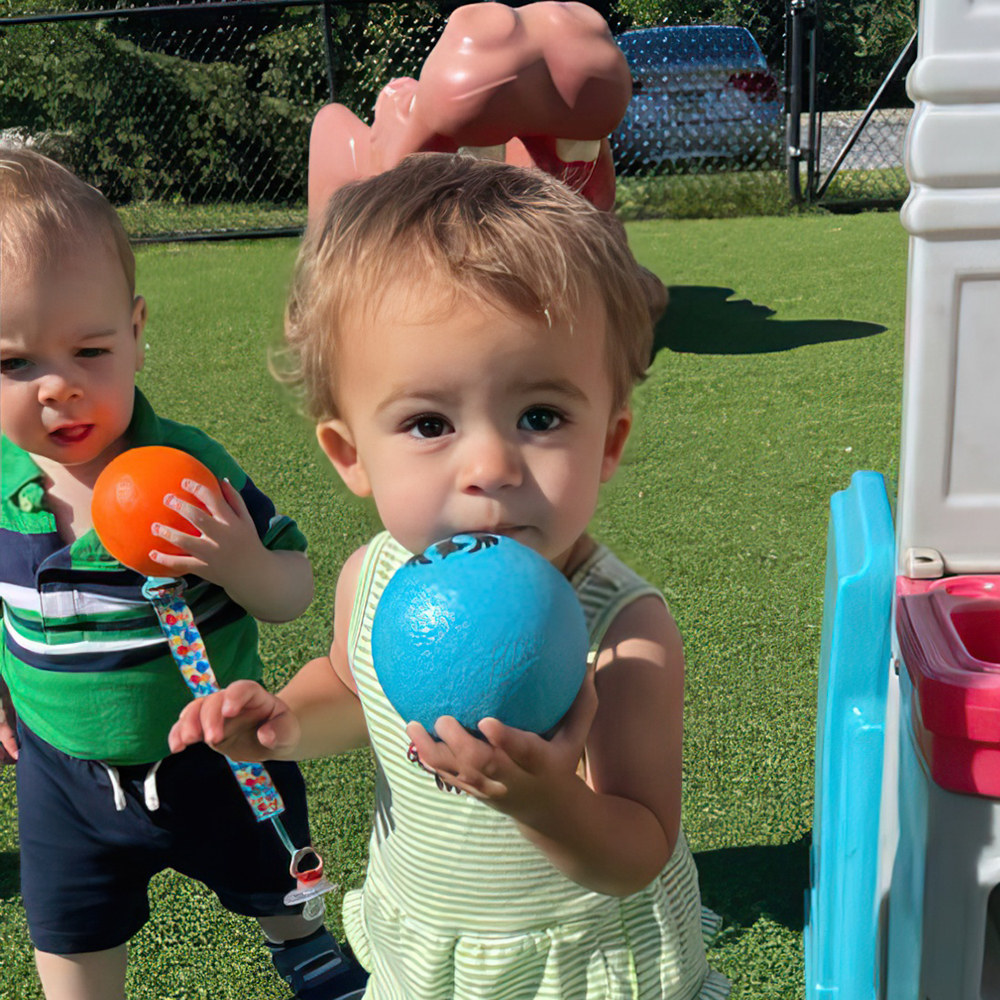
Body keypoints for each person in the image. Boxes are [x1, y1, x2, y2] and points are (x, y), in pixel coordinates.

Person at [170, 152, 731, 999]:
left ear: (609, 442)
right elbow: (356, 693)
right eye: (429, 423)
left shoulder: (624, 634)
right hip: (428, 941)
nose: (491, 465)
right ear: (350, 454)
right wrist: (284, 723)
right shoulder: (374, 576)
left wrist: (549, 806)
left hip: (573, 966)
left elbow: (638, 847)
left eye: (541, 416)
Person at [0, 146, 367, 1000]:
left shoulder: (186, 472)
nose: (58, 390)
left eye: (90, 350)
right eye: (14, 364)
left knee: (278, 890)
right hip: (63, 776)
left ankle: (302, 946)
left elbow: (291, 591)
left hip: (215, 752)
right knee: (71, 951)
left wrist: (238, 561)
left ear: (135, 331)